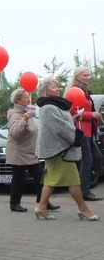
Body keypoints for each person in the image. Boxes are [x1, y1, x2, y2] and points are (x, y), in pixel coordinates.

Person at [34, 77, 98, 221]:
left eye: (57, 86)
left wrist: (73, 120)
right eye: (54, 87)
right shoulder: (48, 107)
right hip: (59, 150)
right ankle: (83, 209)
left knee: (50, 180)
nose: (58, 89)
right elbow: (59, 127)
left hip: (58, 149)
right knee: (73, 180)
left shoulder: (54, 105)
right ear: (46, 90)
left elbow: (61, 123)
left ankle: (41, 207)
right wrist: (76, 135)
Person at [6, 88, 59, 212]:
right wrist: (24, 119)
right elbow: (15, 133)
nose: (28, 99)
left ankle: (44, 202)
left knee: (41, 177)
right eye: (25, 97)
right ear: (18, 100)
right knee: (18, 180)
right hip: (18, 154)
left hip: (30, 153)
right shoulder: (15, 115)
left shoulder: (27, 111)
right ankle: (14, 204)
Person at [69, 66, 103, 201]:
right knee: (87, 160)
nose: (88, 77)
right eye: (84, 75)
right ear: (77, 77)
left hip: (89, 131)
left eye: (89, 75)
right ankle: (85, 192)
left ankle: (86, 186)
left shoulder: (85, 91)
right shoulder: (73, 91)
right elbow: (73, 112)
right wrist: (92, 114)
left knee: (97, 158)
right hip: (81, 130)